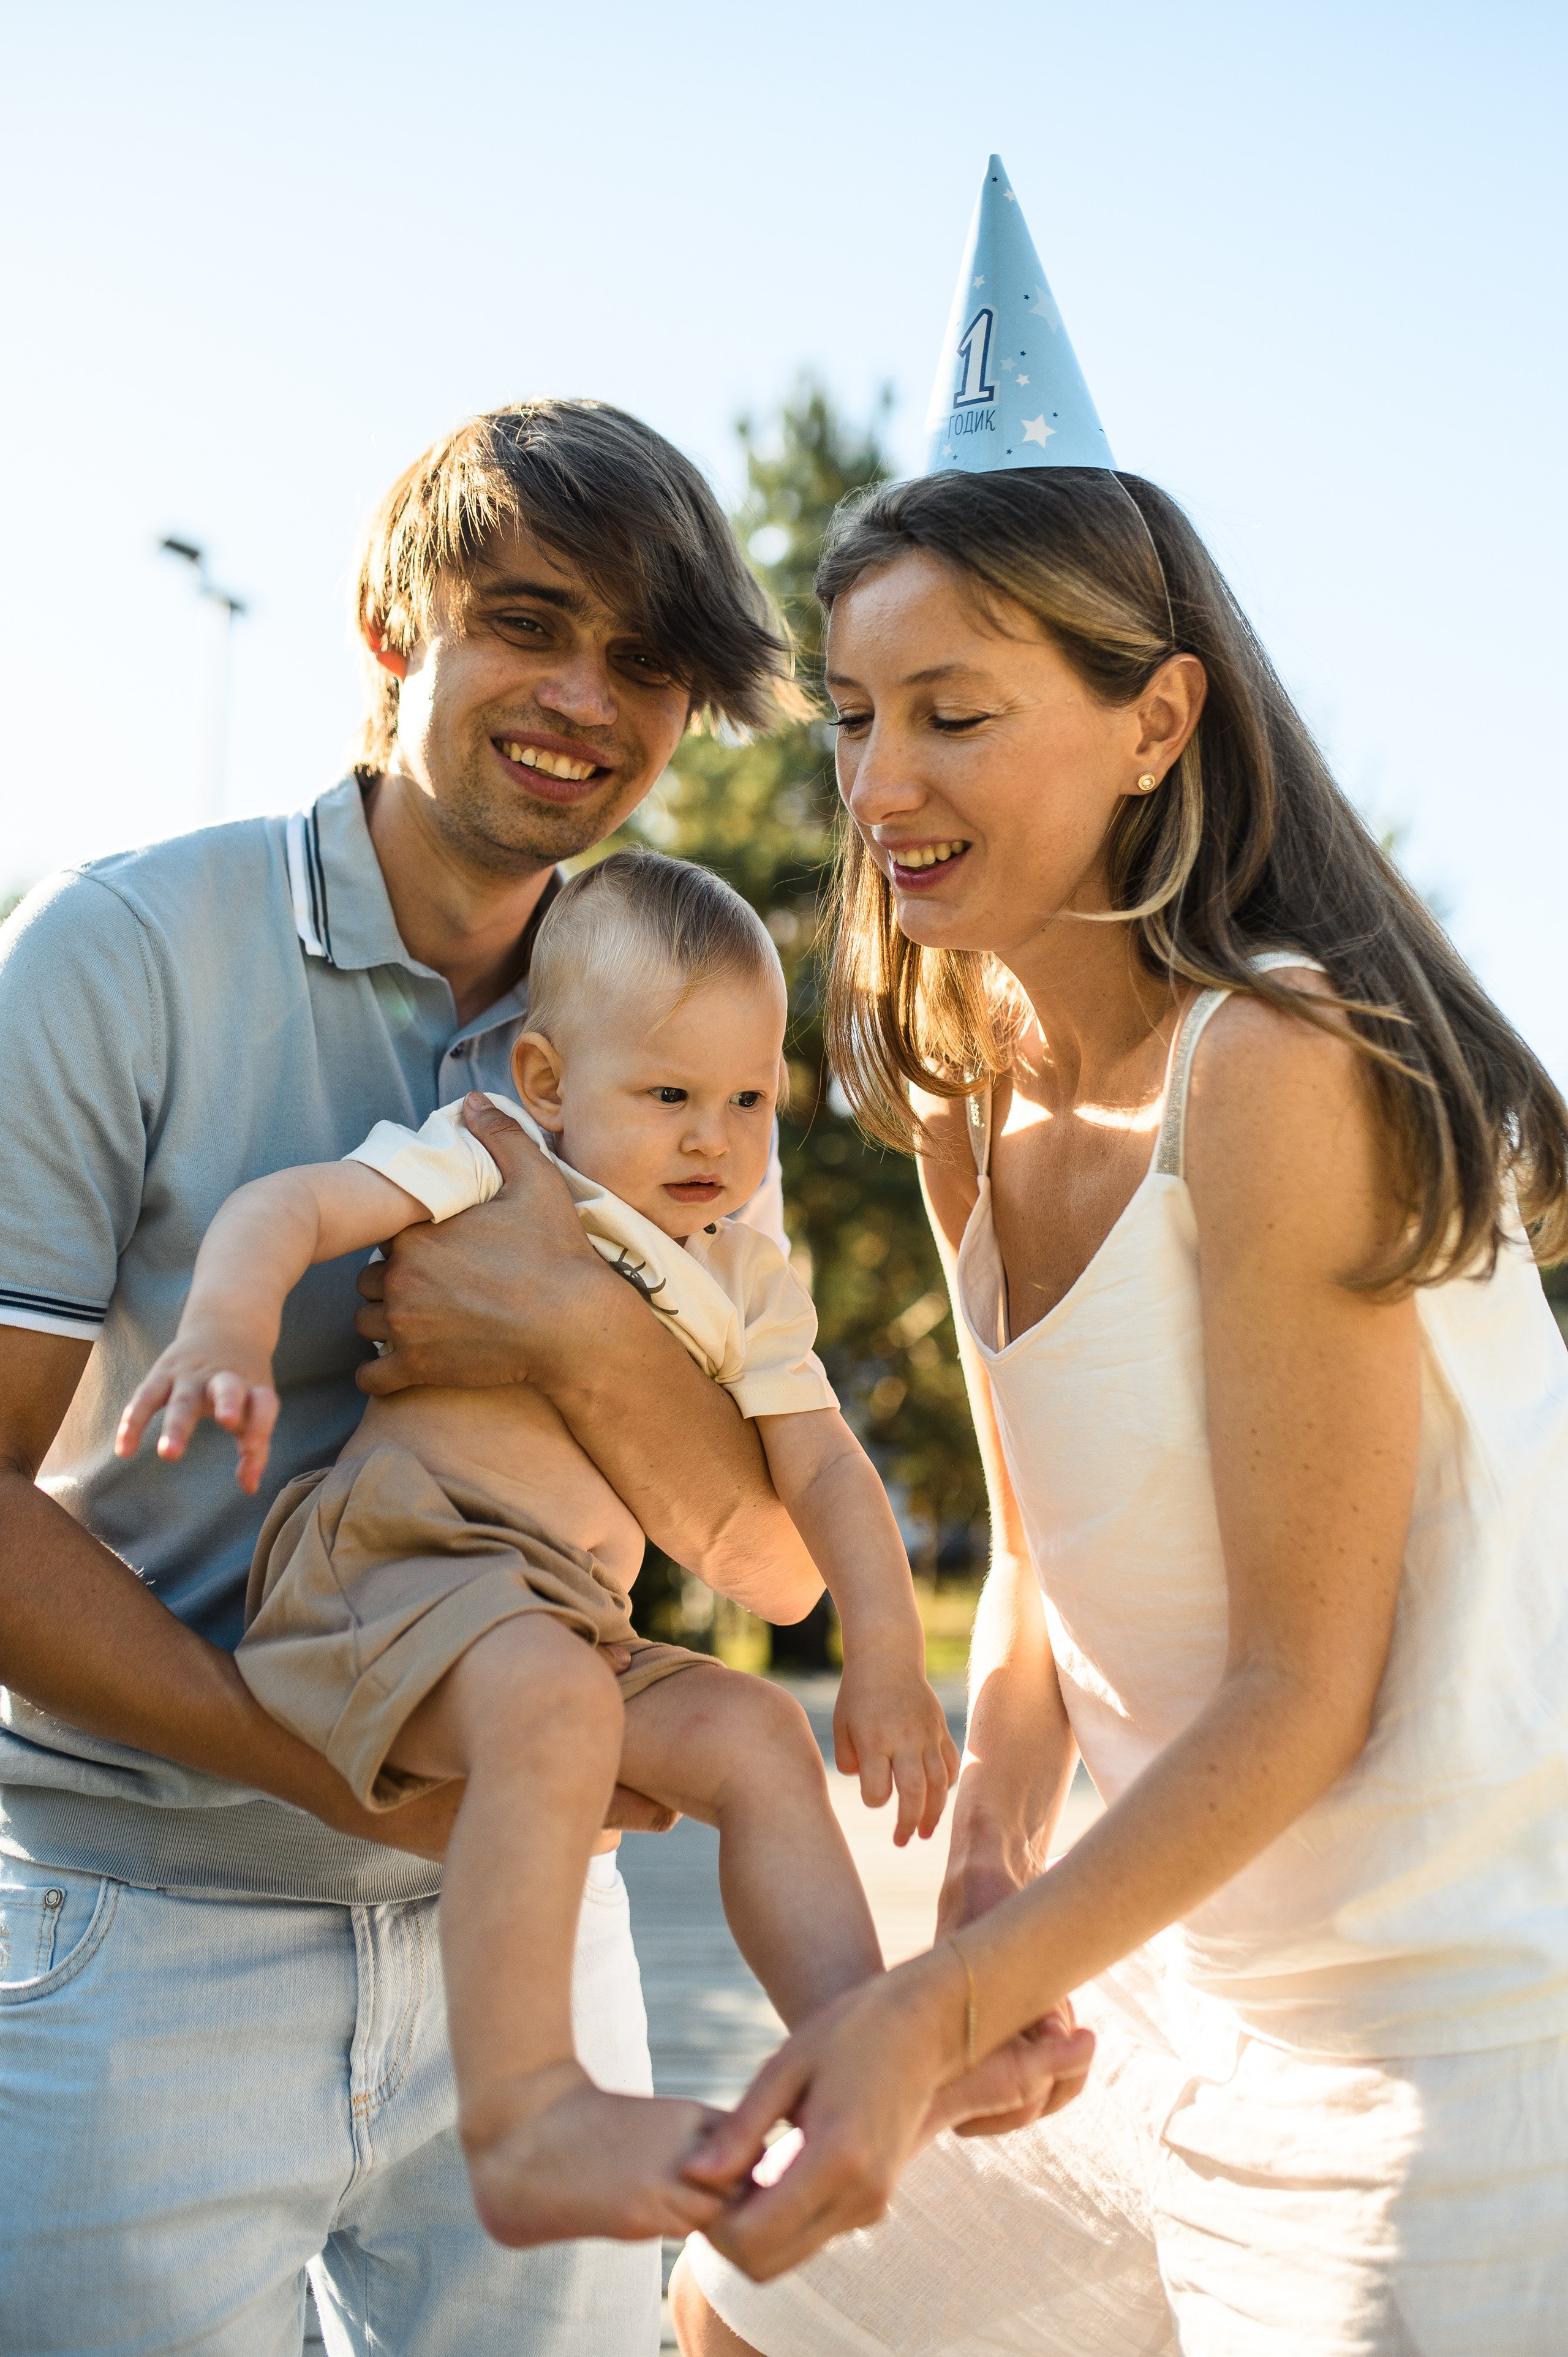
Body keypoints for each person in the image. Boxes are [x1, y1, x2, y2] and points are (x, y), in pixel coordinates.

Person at [673, 162, 1568, 2356]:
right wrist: (990, 1868)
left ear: (1156, 721)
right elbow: (1047, 1591)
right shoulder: (963, 1074)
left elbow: (1299, 1688)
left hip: (1454, 2038)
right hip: (1178, 1990)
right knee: (747, 2301)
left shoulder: (1273, 1060)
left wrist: (938, 1997)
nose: (881, 781)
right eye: (856, 716)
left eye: (955, 711)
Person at [0, 397, 833, 2356]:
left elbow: (769, 1557)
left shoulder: (675, 1035)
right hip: (145, 1932)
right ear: (393, 631)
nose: (583, 698)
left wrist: (553, 1331)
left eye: (644, 660)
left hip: (536, 1950)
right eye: (529, 623)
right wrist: (349, 1789)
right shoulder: (122, 952)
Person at [115, 847, 959, 2248]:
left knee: (755, 1732)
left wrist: (884, 1657)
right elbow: (294, 1208)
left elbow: (824, 1466)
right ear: (555, 1081)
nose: (714, 1141)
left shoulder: (746, 1273)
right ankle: (523, 2119)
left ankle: (863, 2052)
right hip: (391, 1569)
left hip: (566, 1622)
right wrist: (228, 1326)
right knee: (555, 1701)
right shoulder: (491, 1153)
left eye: (749, 1100)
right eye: (670, 1096)